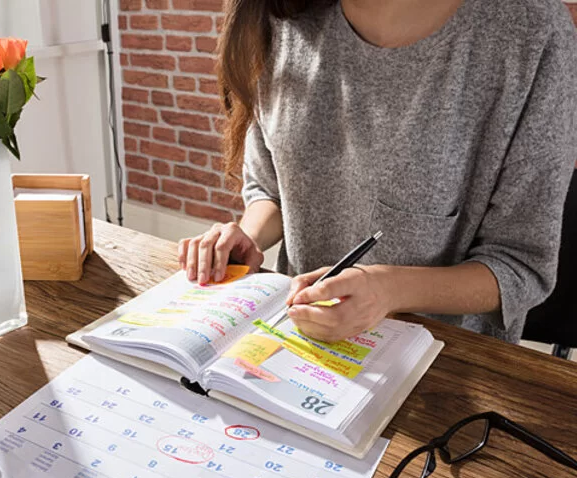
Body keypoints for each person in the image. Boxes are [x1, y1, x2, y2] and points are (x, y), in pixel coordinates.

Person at [178, 0, 577, 344]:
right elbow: (272, 189)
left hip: (441, 366)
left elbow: (519, 266)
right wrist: (248, 236)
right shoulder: (282, 17)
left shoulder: (530, 34)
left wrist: (387, 290)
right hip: (296, 342)